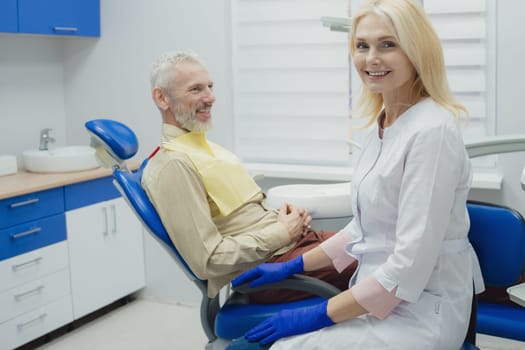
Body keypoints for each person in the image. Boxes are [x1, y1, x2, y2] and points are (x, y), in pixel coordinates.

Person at [227, 0, 485, 348]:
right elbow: (365, 229)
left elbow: (408, 265)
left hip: (423, 312)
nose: (370, 58)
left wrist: (317, 313)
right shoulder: (383, 123)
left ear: (417, 51)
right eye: (362, 46)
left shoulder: (432, 132)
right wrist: (292, 266)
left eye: (387, 44)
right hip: (375, 298)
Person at [141, 50, 356, 304]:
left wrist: (280, 216)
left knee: (380, 241)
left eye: (210, 87)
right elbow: (207, 260)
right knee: (383, 260)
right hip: (270, 270)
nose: (210, 98)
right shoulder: (173, 166)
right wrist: (281, 232)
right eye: (196, 89)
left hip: (292, 247)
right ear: (161, 98)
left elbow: (239, 218)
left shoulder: (202, 148)